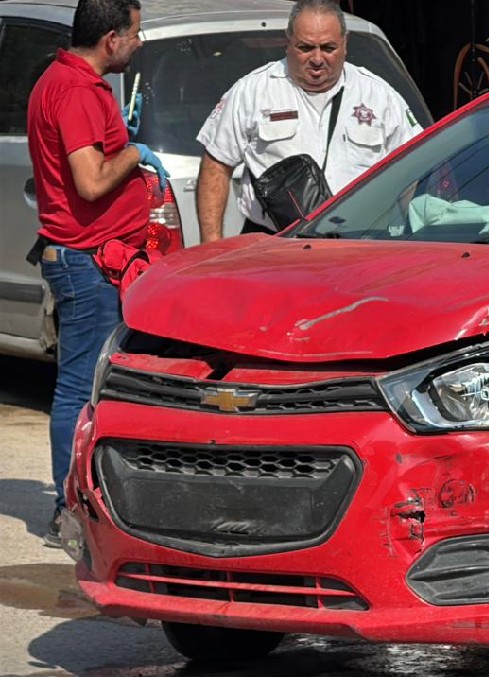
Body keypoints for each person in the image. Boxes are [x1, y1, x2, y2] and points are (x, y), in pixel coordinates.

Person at [26, 0, 167, 548]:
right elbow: (89, 182)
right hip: (85, 262)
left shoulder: (64, 81)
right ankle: (71, 511)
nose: (139, 42)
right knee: (81, 389)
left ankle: (85, 504)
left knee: (93, 386)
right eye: (136, 33)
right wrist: (132, 154)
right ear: (112, 38)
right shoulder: (76, 91)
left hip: (92, 257)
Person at [195, 0, 423, 242]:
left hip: (360, 243)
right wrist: (211, 244)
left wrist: (415, 239)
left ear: (345, 43)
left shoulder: (379, 95)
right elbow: (216, 164)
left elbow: (416, 166)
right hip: (275, 243)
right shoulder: (252, 91)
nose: (317, 58)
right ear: (288, 42)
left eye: (328, 48)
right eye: (306, 47)